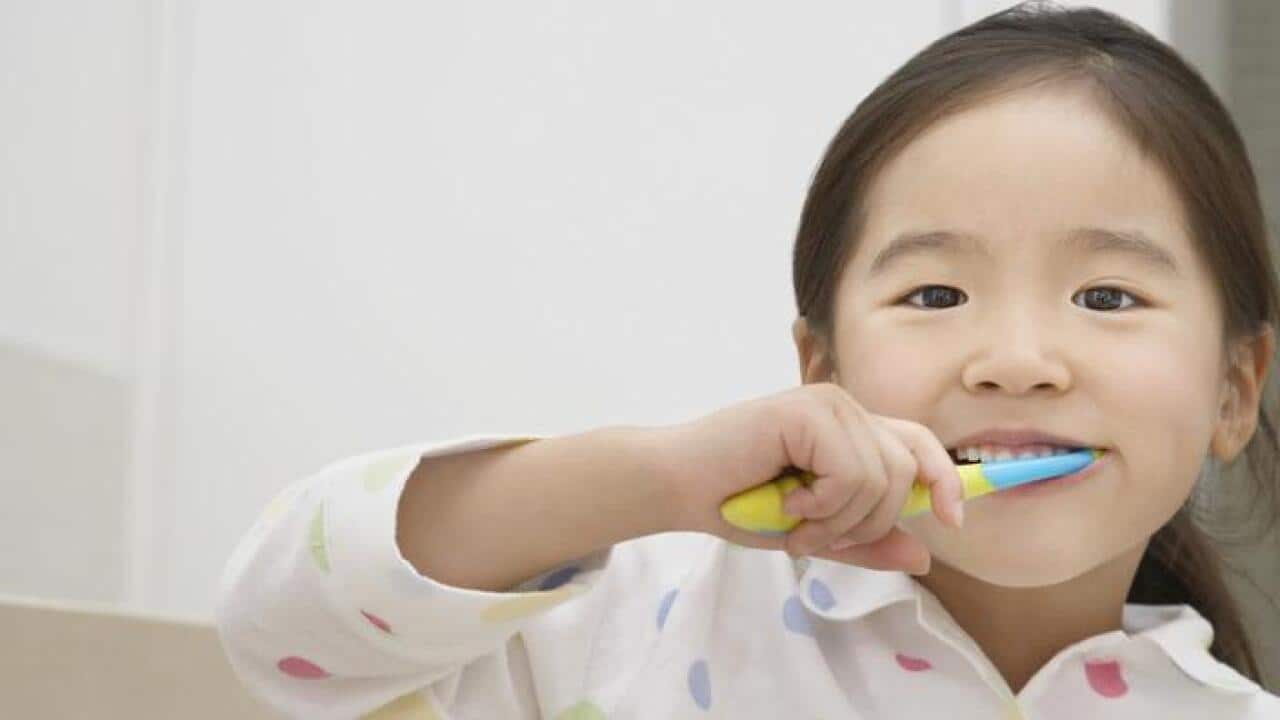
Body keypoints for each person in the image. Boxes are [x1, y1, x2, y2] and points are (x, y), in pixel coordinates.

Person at [215, 2, 1280, 717]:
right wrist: (654, 480)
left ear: (1232, 390)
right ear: (821, 373)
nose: (1014, 360)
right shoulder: (634, 616)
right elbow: (280, 631)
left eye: (1105, 296)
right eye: (933, 294)